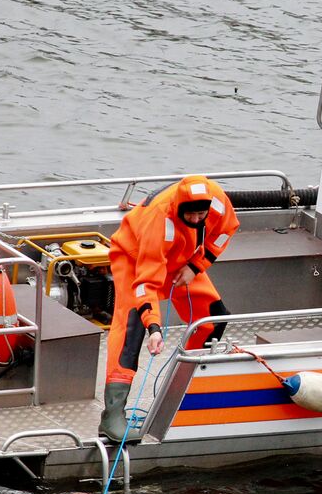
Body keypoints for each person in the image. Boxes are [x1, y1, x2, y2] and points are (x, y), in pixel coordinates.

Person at [100, 175, 240, 439]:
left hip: (184, 262)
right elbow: (146, 284)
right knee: (130, 328)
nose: (198, 220)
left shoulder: (217, 201)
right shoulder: (158, 219)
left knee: (214, 317)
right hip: (136, 258)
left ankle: (180, 395)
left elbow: (226, 231)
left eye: (202, 215)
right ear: (179, 209)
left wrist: (196, 267)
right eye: (192, 216)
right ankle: (112, 415)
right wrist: (153, 327)